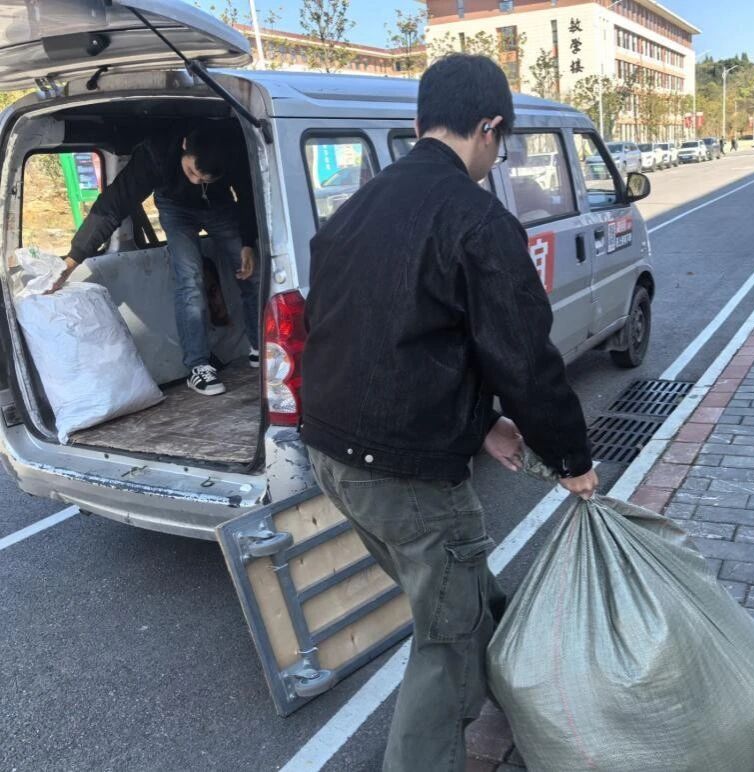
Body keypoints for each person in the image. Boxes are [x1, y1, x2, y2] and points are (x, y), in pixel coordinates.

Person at [301, 53, 597, 772]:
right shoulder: (478, 220)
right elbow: (523, 358)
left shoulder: (355, 209)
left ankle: (533, 697)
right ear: (490, 129)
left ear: (418, 123)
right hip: (405, 475)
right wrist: (572, 459)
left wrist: (481, 423)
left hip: (332, 456)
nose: (497, 157)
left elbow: (385, 338)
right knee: (446, 637)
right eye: (502, 142)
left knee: (455, 592)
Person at [53, 127, 259, 397]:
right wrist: (72, 261)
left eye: (204, 179)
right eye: (191, 172)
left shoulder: (233, 151)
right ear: (184, 145)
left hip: (220, 206)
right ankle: (198, 366)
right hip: (176, 209)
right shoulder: (156, 154)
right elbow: (112, 206)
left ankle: (261, 346)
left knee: (252, 272)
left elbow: (248, 196)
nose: (195, 181)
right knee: (190, 278)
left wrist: (248, 242)